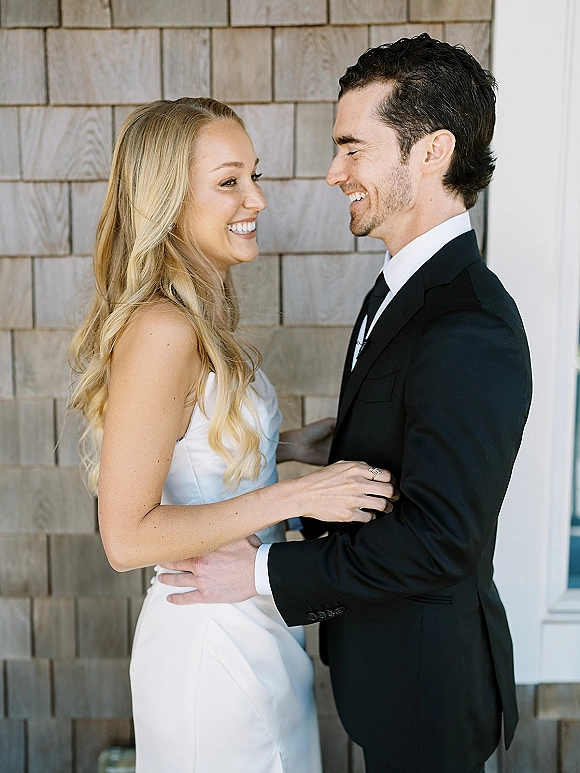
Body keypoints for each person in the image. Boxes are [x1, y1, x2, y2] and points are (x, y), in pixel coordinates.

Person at [159, 36, 533, 773]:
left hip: (431, 693)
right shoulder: (398, 290)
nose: (334, 174)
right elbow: (388, 476)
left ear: (430, 152)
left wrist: (263, 574)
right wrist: (299, 469)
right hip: (383, 677)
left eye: (352, 149)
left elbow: (440, 537)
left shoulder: (469, 324)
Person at [68, 97, 398, 773]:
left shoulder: (198, 312)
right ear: (168, 201)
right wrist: (293, 497)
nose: (258, 198)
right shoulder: (163, 329)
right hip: (208, 647)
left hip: (253, 618)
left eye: (255, 174)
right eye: (229, 181)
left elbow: (182, 440)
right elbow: (126, 536)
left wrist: (287, 444)